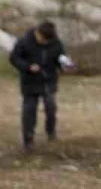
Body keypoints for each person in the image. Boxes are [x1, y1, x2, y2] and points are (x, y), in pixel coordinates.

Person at [9, 20, 73, 151]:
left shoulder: (56, 43)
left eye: (47, 41)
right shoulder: (24, 41)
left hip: (49, 80)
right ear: (37, 33)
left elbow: (60, 57)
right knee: (29, 110)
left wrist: (65, 65)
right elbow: (14, 58)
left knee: (51, 107)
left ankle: (51, 132)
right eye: (42, 40)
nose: (44, 43)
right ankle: (28, 139)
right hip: (30, 81)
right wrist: (27, 67)